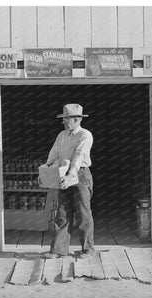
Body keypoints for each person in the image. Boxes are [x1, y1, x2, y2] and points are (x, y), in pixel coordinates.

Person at [44, 104, 94, 259]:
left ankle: (88, 249)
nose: (63, 122)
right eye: (63, 119)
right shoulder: (62, 135)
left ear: (77, 119)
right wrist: (45, 170)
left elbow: (79, 157)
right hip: (63, 173)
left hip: (79, 174)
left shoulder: (85, 135)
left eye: (66, 119)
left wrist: (70, 176)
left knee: (83, 212)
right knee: (62, 212)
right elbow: (54, 154)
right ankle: (58, 250)